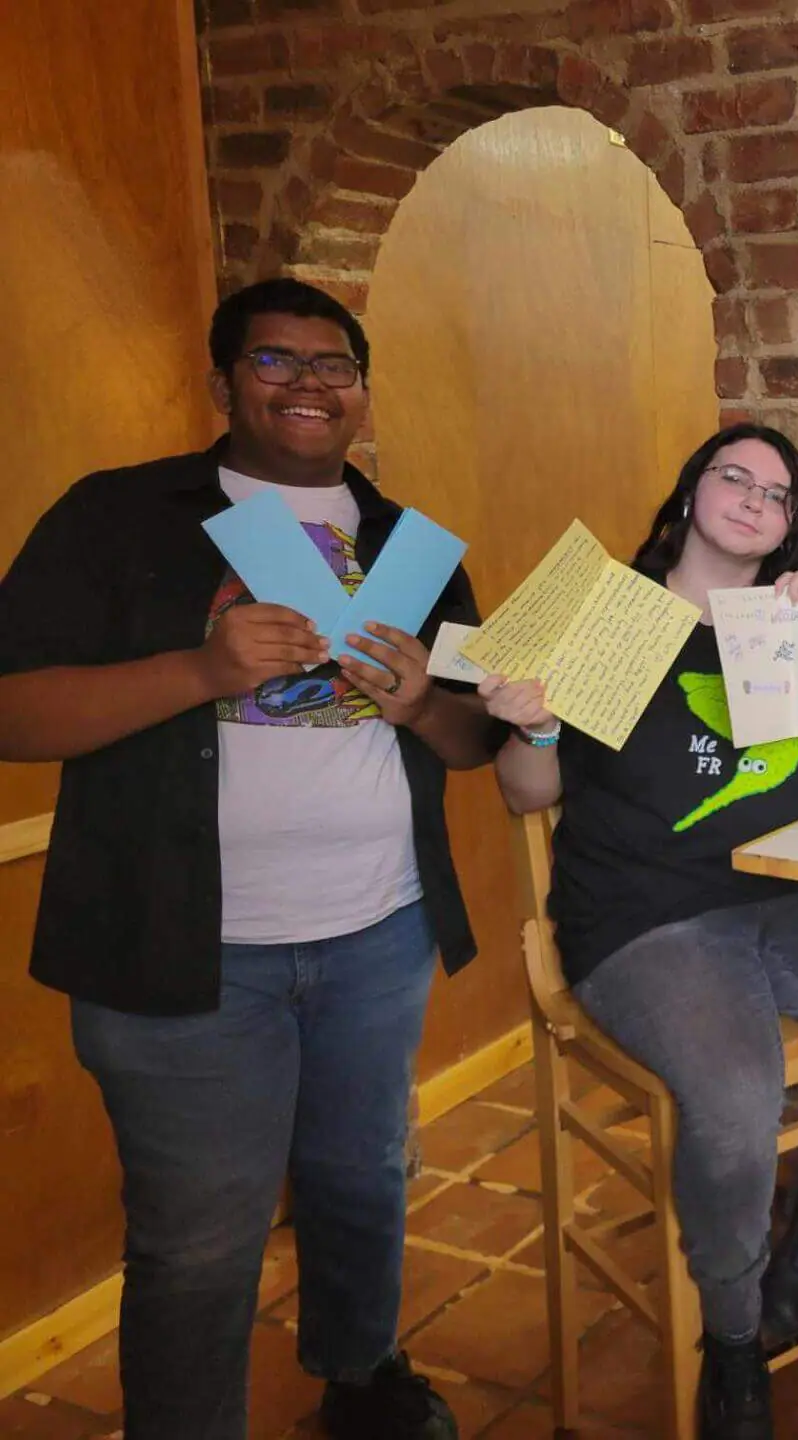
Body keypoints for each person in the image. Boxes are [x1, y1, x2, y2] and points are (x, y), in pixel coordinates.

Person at [0, 278, 503, 1440]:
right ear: (221, 384)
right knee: (197, 1236)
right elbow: (11, 712)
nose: (310, 384)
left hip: (379, 933)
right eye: (276, 362)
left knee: (365, 1177)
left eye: (335, 365)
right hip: (182, 953)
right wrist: (200, 671)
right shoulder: (120, 518)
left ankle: (361, 1376)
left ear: (362, 391)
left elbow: (472, 743)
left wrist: (423, 704)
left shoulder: (407, 545)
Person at [482, 422, 798, 1440]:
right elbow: (528, 794)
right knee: (740, 1094)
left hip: (791, 895)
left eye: (778, 493)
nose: (754, 499)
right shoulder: (618, 615)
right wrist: (530, 725)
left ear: (792, 523)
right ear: (691, 493)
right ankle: (738, 1334)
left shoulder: (789, 620)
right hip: (644, 916)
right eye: (733, 477)